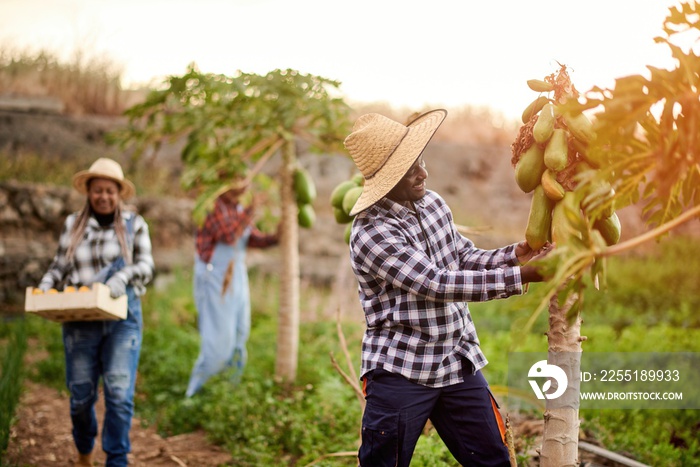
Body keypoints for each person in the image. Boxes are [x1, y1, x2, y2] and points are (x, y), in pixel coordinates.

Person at [343, 109, 552, 467]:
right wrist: (526, 276)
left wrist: (514, 256)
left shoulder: (433, 203)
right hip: (402, 370)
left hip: (456, 361)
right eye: (410, 171)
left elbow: (461, 256)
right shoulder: (371, 233)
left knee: (493, 459)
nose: (423, 173)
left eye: (420, 162)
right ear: (385, 180)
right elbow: (435, 283)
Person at [37, 157, 155, 467]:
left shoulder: (134, 225)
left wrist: (122, 276)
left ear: (119, 194)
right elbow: (60, 265)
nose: (104, 196)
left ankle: (116, 460)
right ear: (88, 192)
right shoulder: (73, 224)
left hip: (122, 319)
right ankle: (84, 452)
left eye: (110, 191)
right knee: (80, 396)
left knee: (118, 393)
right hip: (81, 319)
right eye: (98, 190)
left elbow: (146, 266)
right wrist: (46, 286)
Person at [185, 183, 280, 397]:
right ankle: (197, 396)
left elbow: (251, 238)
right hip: (216, 277)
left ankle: (226, 393)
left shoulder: (237, 208)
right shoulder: (213, 205)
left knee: (239, 335)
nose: (244, 185)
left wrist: (275, 237)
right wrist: (252, 209)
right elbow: (228, 235)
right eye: (237, 179)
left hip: (236, 275)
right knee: (218, 343)